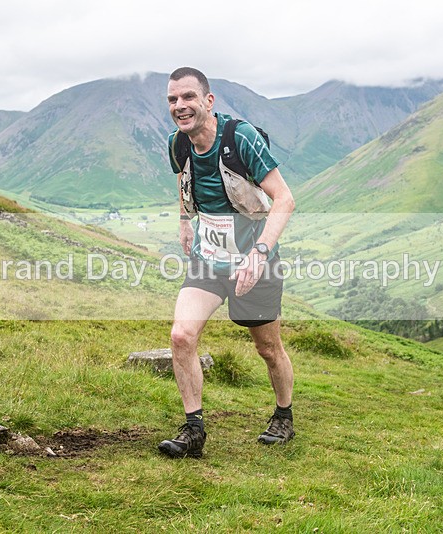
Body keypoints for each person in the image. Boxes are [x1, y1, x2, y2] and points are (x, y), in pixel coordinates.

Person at [158, 67, 296, 458]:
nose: (180, 106)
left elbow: (284, 199)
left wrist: (259, 253)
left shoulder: (240, 138)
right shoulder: (178, 144)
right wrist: (185, 220)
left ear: (208, 100)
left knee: (268, 349)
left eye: (188, 97)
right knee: (181, 336)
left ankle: (283, 415)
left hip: (254, 261)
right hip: (208, 260)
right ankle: (194, 430)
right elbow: (183, 179)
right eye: (172, 99)